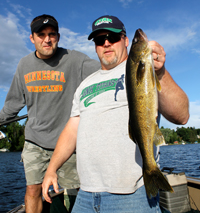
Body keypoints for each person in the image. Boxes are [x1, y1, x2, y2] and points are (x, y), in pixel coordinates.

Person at [42, 15, 189, 212]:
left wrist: (160, 72)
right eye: (99, 40)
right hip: (85, 196)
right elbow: (71, 131)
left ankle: (151, 172)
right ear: (95, 46)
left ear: (126, 41)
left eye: (112, 37)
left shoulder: (146, 71)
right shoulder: (84, 85)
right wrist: (52, 169)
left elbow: (182, 116)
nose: (106, 43)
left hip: (132, 196)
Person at [0, 14, 100, 213]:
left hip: (67, 143)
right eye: (41, 34)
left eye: (52, 34)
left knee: (77, 191)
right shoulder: (23, 65)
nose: (47, 39)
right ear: (32, 38)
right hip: (35, 142)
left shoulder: (75, 60)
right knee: (32, 189)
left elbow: (106, 68)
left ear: (58, 36)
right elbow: (12, 105)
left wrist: (136, 59)